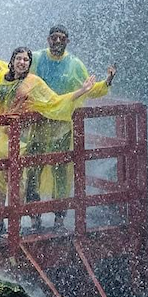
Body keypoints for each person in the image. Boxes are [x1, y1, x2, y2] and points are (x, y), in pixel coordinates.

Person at [0, 42, 107, 237]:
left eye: (26, 60)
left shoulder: (34, 82)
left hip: (20, 139)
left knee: (16, 181)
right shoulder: (3, 78)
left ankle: (14, 223)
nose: (22, 62)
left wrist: (81, 91)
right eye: (18, 59)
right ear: (12, 61)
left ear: (29, 64)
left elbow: (54, 101)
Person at [29, 25, 115, 230]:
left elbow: (88, 89)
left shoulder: (74, 64)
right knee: (33, 169)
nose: (57, 41)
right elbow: (15, 70)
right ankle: (34, 217)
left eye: (62, 38)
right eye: (54, 38)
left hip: (61, 127)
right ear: (47, 39)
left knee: (60, 171)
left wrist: (107, 81)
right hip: (36, 125)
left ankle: (59, 218)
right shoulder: (36, 59)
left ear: (68, 41)